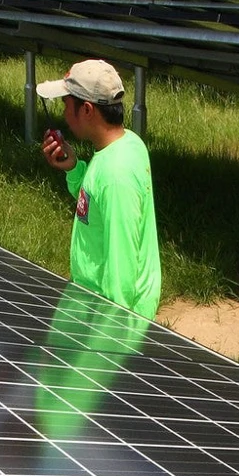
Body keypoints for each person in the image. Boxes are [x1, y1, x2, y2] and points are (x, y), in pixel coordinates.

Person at [38, 59, 161, 320]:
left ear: (86, 109)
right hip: (90, 301)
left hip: (109, 315)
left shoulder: (117, 175)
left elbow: (122, 266)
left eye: (65, 105)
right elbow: (94, 208)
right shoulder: (127, 143)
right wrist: (73, 169)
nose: (63, 114)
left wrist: (107, 338)